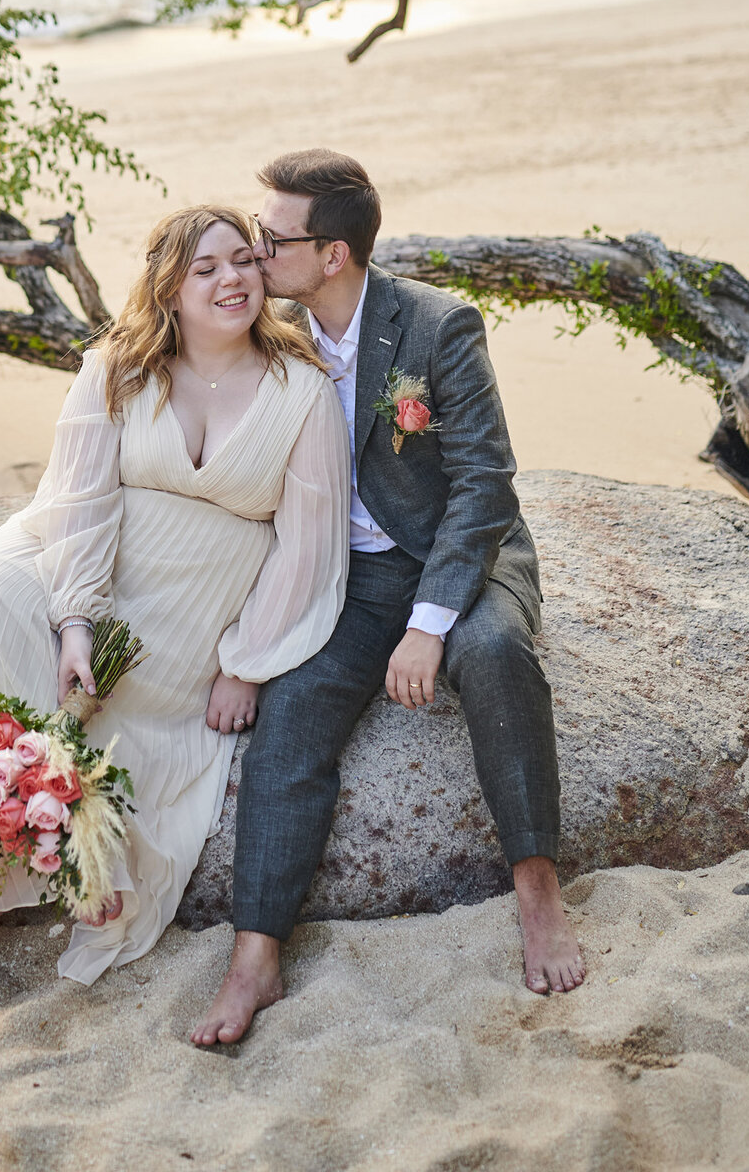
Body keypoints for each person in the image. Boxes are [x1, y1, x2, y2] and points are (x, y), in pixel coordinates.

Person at [0, 205, 350, 1030]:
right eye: (205, 268)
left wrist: (244, 660)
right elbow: (78, 499)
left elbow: (309, 546)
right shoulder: (121, 365)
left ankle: (69, 850)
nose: (232, 281)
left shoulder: (302, 393)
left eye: (242, 263)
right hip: (83, 559)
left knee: (115, 710)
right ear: (170, 289)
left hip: (190, 602)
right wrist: (76, 618)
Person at [192, 150, 584, 1048]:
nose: (254, 254)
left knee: (490, 655)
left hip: (463, 554)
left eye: (271, 239)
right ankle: (256, 955)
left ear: (332, 255)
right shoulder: (272, 334)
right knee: (290, 713)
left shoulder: (438, 326)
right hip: (353, 575)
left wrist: (428, 625)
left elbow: (486, 484)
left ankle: (537, 890)